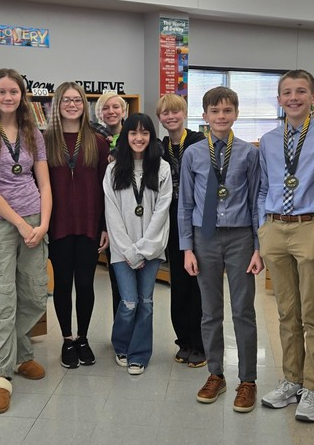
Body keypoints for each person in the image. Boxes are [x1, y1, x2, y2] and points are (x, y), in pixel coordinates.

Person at [257, 69, 314, 423]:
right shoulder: (268, 140)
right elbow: (264, 187)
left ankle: (313, 386)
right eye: (286, 92)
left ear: (313, 97)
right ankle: (291, 379)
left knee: (312, 314)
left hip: (310, 228)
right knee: (285, 313)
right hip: (275, 230)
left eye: (301, 92)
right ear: (278, 99)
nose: (293, 98)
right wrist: (262, 227)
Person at [0, 68, 52, 415]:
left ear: (22, 95)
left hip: (35, 220)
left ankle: (19, 353)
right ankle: (0, 375)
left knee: (34, 295)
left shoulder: (34, 132)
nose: (7, 97)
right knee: (3, 299)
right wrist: (19, 223)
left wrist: (43, 224)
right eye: (1, 91)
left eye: (13, 91)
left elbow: (45, 183)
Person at [180, 86, 264, 413]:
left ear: (236, 114)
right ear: (204, 116)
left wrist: (259, 246)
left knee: (243, 310)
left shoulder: (248, 153)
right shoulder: (193, 154)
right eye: (214, 112)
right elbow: (185, 204)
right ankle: (216, 373)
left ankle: (248, 380)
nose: (221, 116)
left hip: (241, 237)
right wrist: (187, 247)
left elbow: (257, 199)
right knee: (210, 311)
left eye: (227, 111)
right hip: (205, 238)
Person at [45, 82, 110, 369]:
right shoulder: (45, 141)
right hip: (57, 225)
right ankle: (67, 339)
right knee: (62, 284)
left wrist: (105, 226)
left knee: (85, 283)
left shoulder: (97, 141)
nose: (72, 105)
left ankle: (83, 338)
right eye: (66, 100)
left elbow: (105, 187)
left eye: (77, 100)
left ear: (85, 105)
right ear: (57, 105)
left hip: (89, 223)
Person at [103, 113, 172, 375]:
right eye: (133, 133)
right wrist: (130, 251)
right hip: (122, 250)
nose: (139, 138)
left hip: (152, 249)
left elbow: (161, 212)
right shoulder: (113, 170)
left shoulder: (162, 168)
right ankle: (121, 344)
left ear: (151, 137)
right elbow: (113, 215)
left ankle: (140, 354)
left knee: (146, 301)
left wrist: (143, 249)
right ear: (126, 136)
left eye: (145, 133)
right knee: (129, 301)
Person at [157, 93, 207, 367]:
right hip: (171, 222)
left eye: (175, 111)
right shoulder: (159, 146)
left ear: (184, 113)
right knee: (179, 283)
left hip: (197, 220)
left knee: (197, 283)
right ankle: (184, 341)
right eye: (165, 113)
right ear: (160, 118)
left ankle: (201, 343)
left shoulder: (200, 142)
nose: (171, 116)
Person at [94, 92, 128, 315]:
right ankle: (121, 334)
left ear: (124, 111)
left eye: (116, 107)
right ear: (99, 113)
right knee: (117, 276)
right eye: (105, 108)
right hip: (108, 217)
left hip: (134, 215)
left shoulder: (136, 136)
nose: (111, 112)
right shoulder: (95, 140)